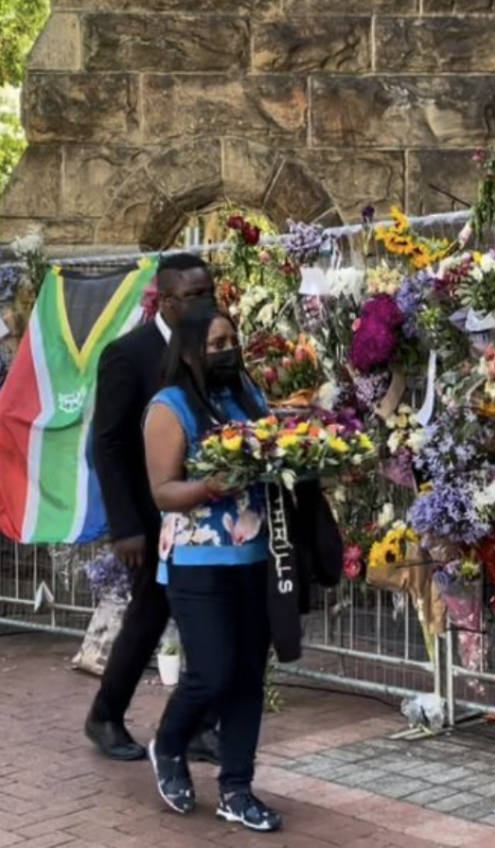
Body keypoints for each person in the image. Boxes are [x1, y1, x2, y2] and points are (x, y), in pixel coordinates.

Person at [144, 303, 281, 833]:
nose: (227, 352)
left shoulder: (249, 397)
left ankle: (237, 789)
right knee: (212, 671)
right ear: (190, 351)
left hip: (254, 557)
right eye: (215, 344)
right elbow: (162, 489)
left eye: (232, 342)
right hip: (196, 560)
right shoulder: (169, 406)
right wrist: (206, 487)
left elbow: (272, 455)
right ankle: (170, 743)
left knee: (248, 674)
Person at [86, 253, 220, 763]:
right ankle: (104, 715)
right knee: (148, 616)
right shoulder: (128, 353)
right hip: (149, 515)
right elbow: (109, 445)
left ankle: (197, 725)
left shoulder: (211, 346)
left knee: (206, 617)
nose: (207, 303)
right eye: (195, 295)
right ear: (165, 299)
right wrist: (124, 526)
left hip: (204, 511)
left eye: (210, 291)